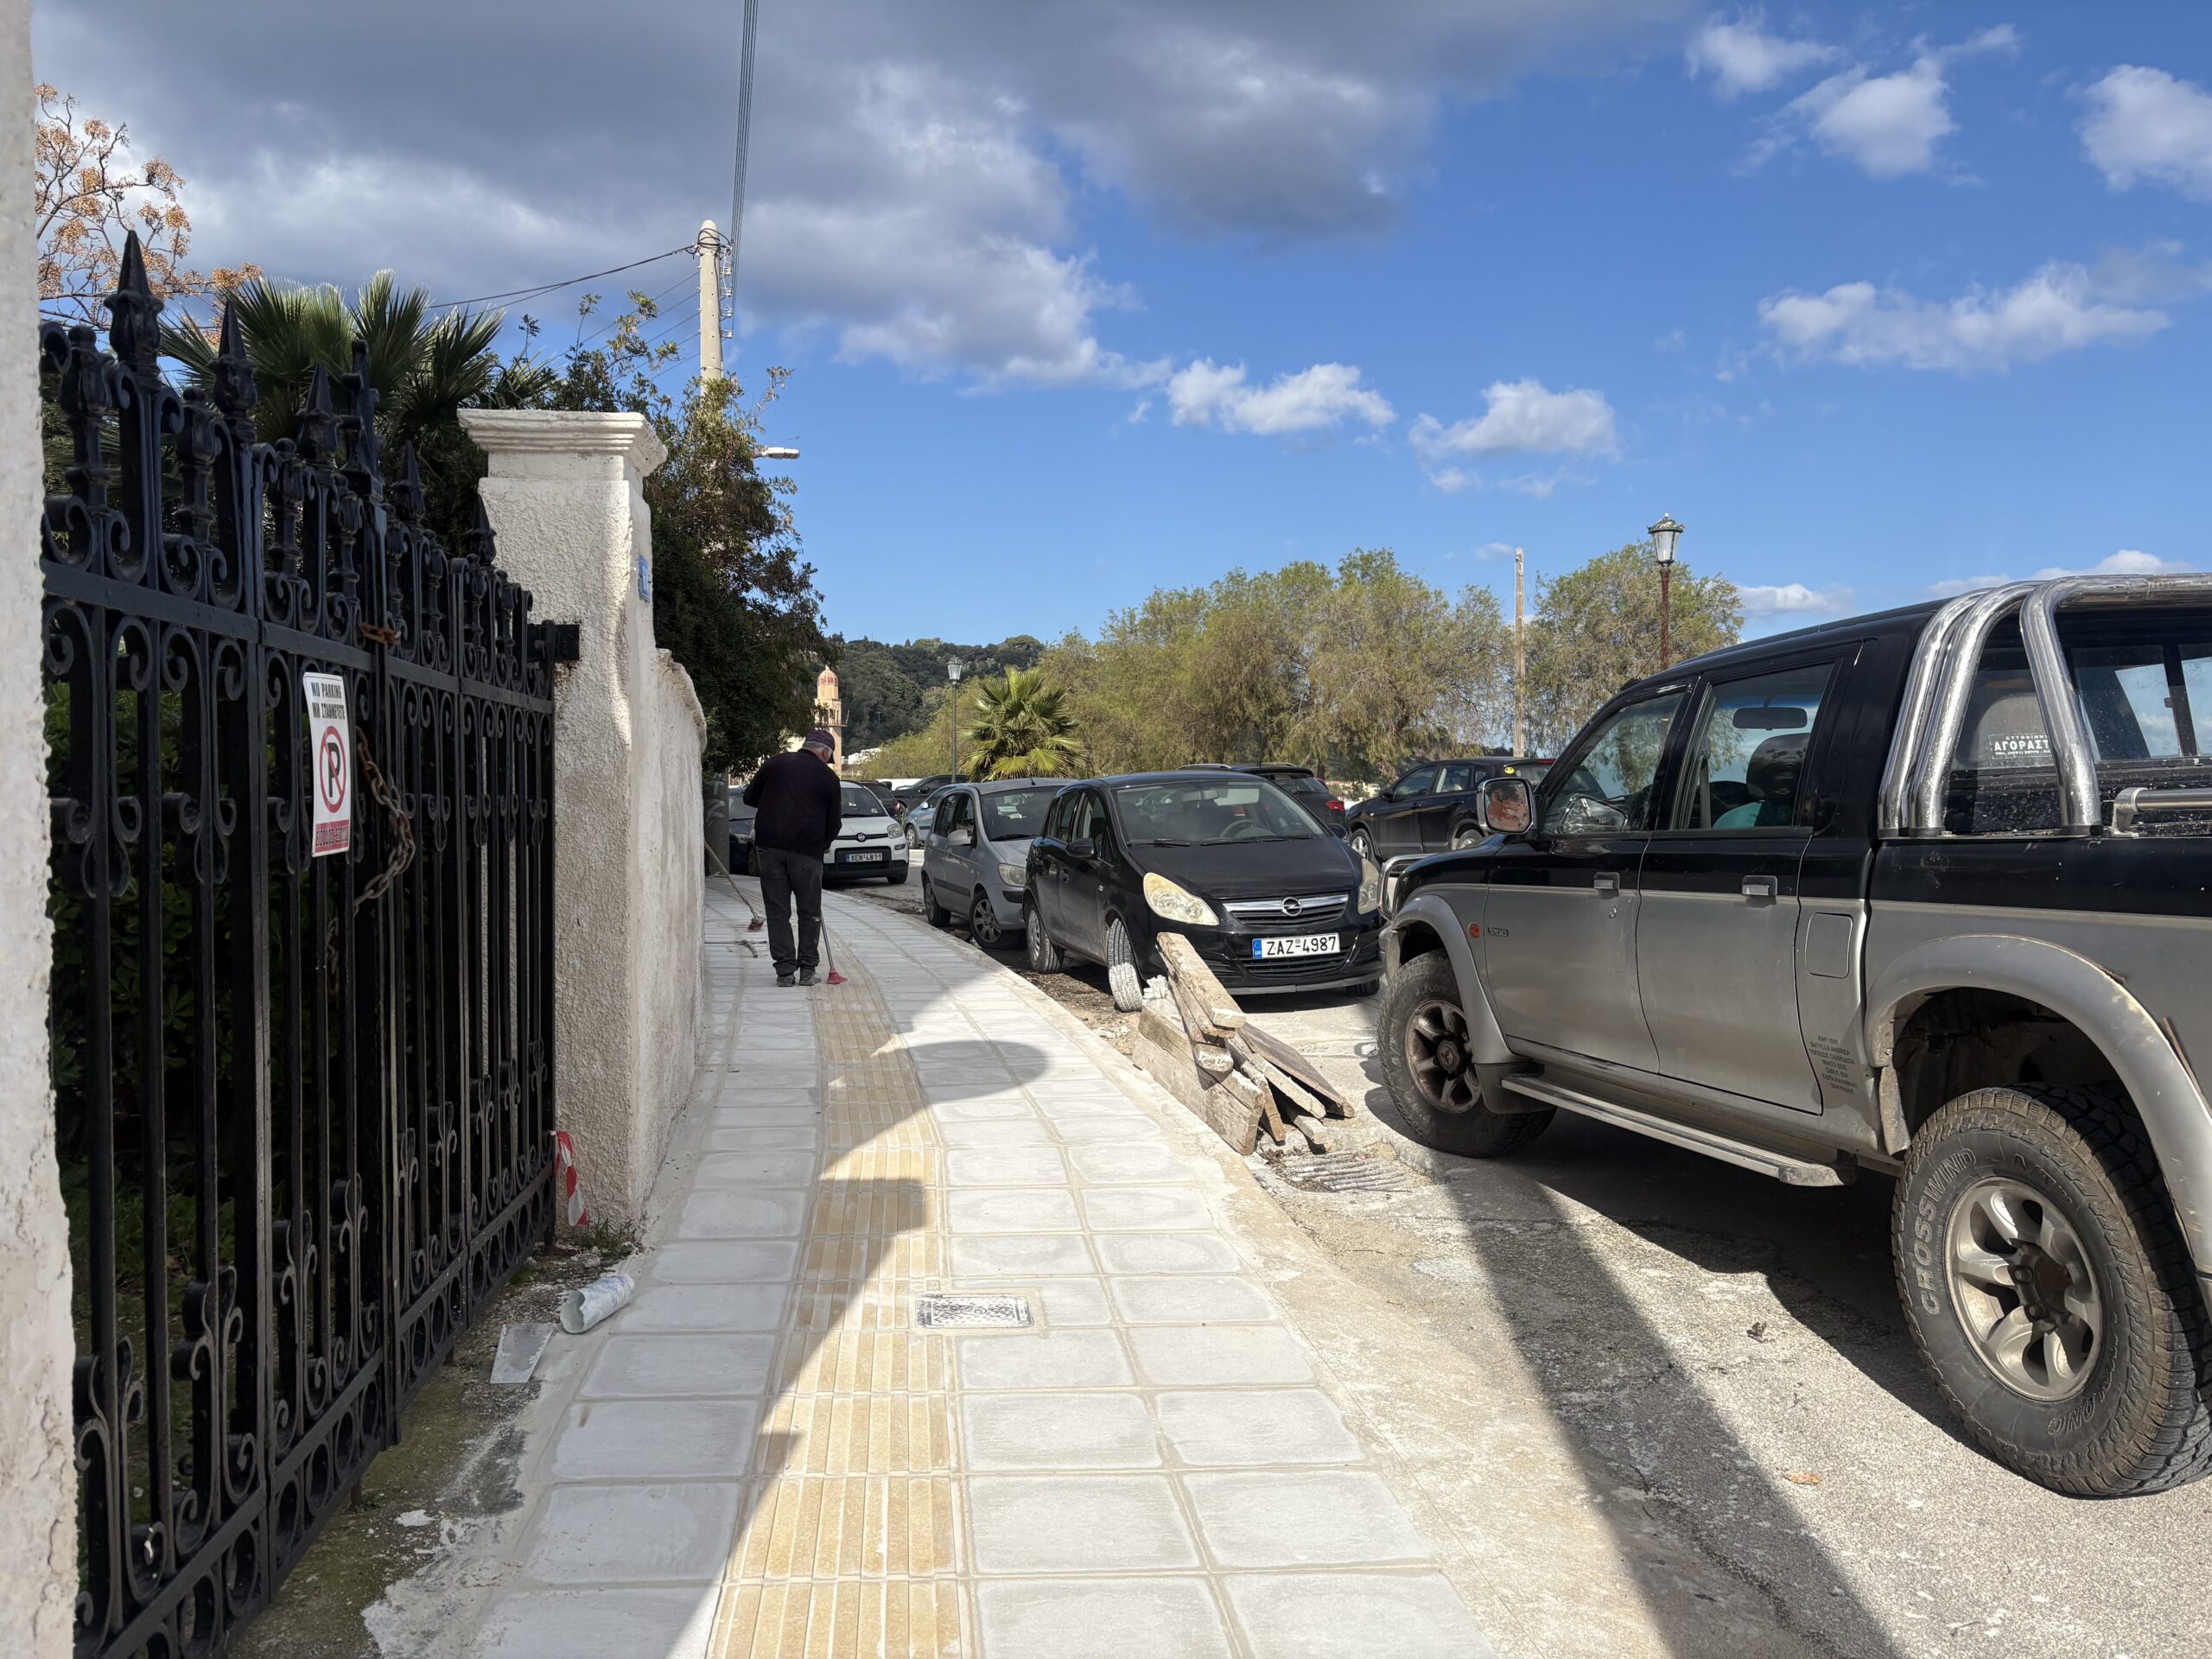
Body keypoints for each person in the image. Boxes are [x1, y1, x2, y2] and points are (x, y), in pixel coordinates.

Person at [742, 729, 843, 986]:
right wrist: (823, 845)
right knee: (809, 912)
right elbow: (835, 823)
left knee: (777, 912)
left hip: (769, 849)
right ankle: (807, 971)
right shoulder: (828, 777)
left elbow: (749, 798)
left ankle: (785, 973)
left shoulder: (774, 763)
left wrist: (776, 800)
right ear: (825, 752)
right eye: (828, 757)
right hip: (807, 853)